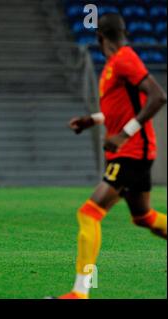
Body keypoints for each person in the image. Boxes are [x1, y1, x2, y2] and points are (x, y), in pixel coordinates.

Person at [57, 13, 167, 299]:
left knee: (89, 212)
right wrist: (91, 120)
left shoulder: (125, 59)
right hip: (132, 152)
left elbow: (158, 96)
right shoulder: (114, 65)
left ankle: (80, 293)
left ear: (99, 37)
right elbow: (119, 110)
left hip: (131, 152)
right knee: (143, 217)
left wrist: (125, 134)